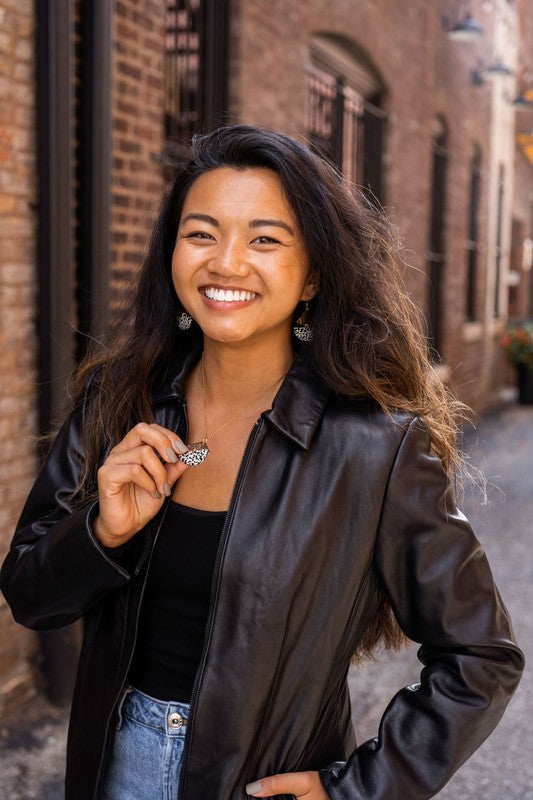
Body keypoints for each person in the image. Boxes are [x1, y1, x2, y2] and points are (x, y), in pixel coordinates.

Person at [0, 124, 523, 800]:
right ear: (171, 254)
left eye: (265, 239)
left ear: (312, 276)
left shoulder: (374, 447)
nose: (226, 262)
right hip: (111, 768)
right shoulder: (116, 401)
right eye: (201, 233)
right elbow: (30, 595)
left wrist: (354, 788)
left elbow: (480, 656)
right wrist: (103, 532)